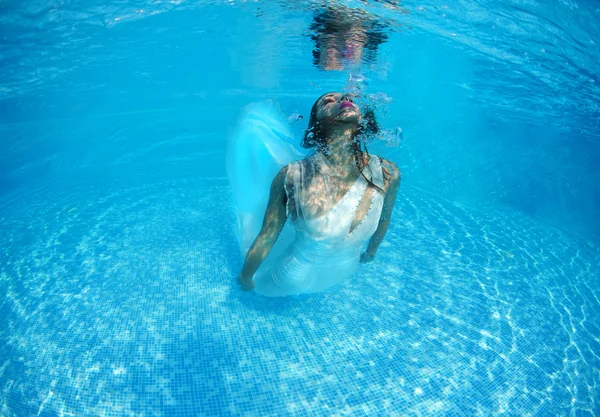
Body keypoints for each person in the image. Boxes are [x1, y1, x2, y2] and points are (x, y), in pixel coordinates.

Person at [227, 92, 400, 297]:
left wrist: (371, 252)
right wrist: (244, 277)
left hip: (345, 269)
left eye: (349, 99)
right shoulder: (291, 176)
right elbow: (268, 234)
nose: (344, 99)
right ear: (316, 123)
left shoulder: (387, 172)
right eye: (328, 101)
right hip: (291, 277)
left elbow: (384, 219)